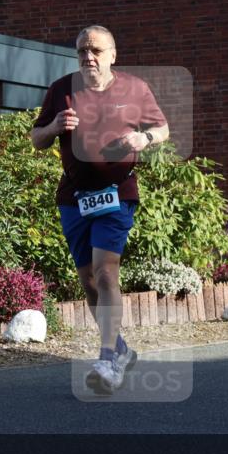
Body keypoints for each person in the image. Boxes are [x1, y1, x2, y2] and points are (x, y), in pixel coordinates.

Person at [31, 25, 169, 395]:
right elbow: (37, 139)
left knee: (107, 273)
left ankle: (107, 359)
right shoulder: (61, 89)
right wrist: (55, 125)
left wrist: (144, 137)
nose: (88, 57)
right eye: (82, 51)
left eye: (95, 50)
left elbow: (162, 128)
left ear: (112, 55)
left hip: (117, 193)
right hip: (74, 197)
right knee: (88, 281)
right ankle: (121, 350)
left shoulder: (134, 89)